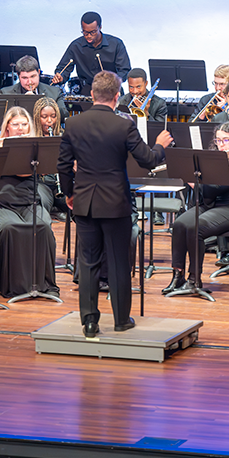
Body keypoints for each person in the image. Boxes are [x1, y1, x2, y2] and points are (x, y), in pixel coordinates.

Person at [58, 71, 172, 337]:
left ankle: (89, 322)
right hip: (115, 203)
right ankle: (121, 320)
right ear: (117, 96)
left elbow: (63, 166)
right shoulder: (124, 124)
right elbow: (148, 160)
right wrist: (159, 145)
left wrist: (69, 194)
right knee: (119, 262)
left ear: (92, 94)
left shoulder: (73, 124)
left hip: (84, 202)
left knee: (87, 263)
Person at [164, 123, 229, 296]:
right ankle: (178, 275)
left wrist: (192, 180)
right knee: (180, 224)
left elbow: (217, 187)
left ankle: (194, 279)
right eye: (218, 140)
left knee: (196, 227)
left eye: (226, 140)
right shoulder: (212, 160)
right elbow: (206, 192)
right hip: (212, 205)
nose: (221, 144)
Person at [0, 108, 59, 300]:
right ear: (7, 128)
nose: (20, 128)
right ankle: (15, 287)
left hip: (28, 203)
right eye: (15, 124)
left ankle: (46, 285)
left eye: (24, 124)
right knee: (10, 228)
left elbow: (23, 171)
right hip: (0, 205)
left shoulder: (33, 150)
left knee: (44, 226)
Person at [51, 11, 131, 87]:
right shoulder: (76, 46)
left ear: (100, 27)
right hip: (87, 89)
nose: (89, 36)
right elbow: (63, 68)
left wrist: (112, 81)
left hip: (111, 89)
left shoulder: (116, 44)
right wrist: (60, 76)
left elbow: (125, 71)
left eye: (93, 32)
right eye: (85, 32)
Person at [1, 55, 69, 120]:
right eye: (25, 78)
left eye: (33, 76)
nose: (30, 82)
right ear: (18, 75)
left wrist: (44, 106)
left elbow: (64, 116)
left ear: (39, 72)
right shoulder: (5, 93)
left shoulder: (55, 92)